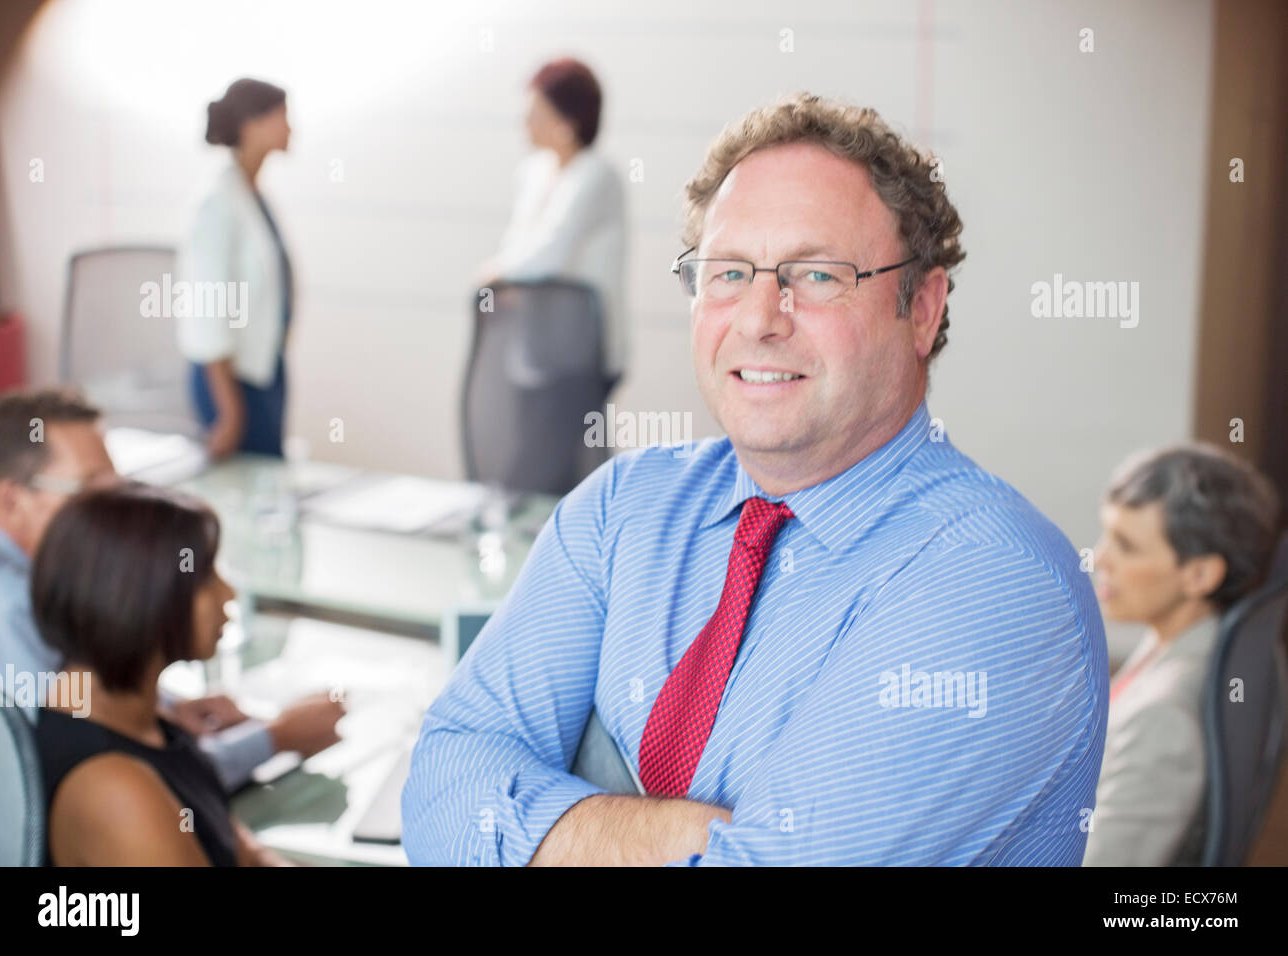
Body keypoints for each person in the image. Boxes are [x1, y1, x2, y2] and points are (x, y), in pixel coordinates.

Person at [403, 92, 1109, 866]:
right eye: (728, 272)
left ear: (923, 308)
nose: (760, 318)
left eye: (815, 273)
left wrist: (546, 825)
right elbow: (441, 791)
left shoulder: (997, 585)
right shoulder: (620, 508)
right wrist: (686, 832)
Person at [0, 388, 344, 792]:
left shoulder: (32, 580)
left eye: (117, 489)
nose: (116, 512)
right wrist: (274, 738)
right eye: (89, 492)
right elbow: (53, 775)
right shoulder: (5, 608)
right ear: (11, 501)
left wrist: (162, 712)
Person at [32, 482, 289, 865]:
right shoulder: (114, 790)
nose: (228, 593)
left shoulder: (148, 723)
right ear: (139, 597)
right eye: (206, 577)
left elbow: (245, 853)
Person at [1084, 445, 1279, 866]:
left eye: (1127, 546)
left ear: (1200, 574)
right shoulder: (1188, 643)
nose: (1100, 558)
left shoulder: (1162, 716)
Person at [478, 57, 628, 392]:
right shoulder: (533, 172)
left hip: (583, 350)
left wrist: (498, 272)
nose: (525, 122)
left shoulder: (597, 176)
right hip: (535, 346)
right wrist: (504, 269)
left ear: (567, 122)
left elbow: (551, 253)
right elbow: (517, 245)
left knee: (572, 439)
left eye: (536, 113)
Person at [177, 78, 294, 458]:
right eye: (282, 117)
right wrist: (228, 411)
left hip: (262, 369)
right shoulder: (218, 201)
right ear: (251, 125)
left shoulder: (250, 192)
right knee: (244, 491)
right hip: (229, 382)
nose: (291, 128)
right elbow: (207, 308)